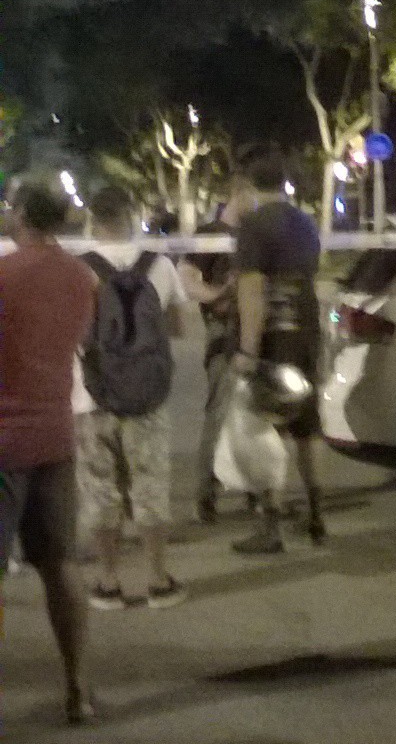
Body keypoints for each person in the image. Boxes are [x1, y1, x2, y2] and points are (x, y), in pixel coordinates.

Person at [0, 177, 97, 725]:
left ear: (20, 214)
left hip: (5, 440)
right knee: (61, 566)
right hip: (55, 436)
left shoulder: (4, 275)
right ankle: (79, 689)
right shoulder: (80, 277)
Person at [74, 185, 190, 609]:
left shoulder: (78, 270)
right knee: (150, 485)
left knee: (100, 489)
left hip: (93, 395)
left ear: (92, 220)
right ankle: (158, 580)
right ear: (132, 215)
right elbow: (178, 328)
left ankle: (108, 582)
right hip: (147, 396)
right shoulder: (160, 265)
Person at [231, 149, 325, 554]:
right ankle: (317, 515)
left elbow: (252, 292)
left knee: (266, 431)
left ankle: (271, 527)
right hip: (306, 333)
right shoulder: (305, 224)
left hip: (274, 341)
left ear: (251, 186)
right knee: (306, 426)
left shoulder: (253, 226)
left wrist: (248, 350)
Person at [180, 176, 256, 522]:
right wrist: (218, 294)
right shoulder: (211, 234)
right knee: (220, 413)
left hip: (254, 330)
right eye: (254, 195)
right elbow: (187, 279)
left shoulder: (254, 234)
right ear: (238, 193)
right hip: (224, 333)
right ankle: (206, 493)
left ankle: (255, 490)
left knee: (255, 415)